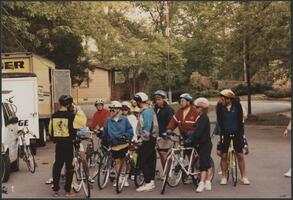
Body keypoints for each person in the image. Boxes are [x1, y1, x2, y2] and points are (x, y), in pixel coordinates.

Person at [216, 89, 250, 185]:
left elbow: (240, 121)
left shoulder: (237, 106)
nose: (220, 101)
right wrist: (221, 133)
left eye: (222, 99)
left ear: (229, 99)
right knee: (223, 155)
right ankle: (223, 176)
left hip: (237, 133)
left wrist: (241, 134)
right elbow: (219, 121)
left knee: (240, 155)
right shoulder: (219, 107)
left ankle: (244, 176)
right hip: (225, 133)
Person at [49, 95, 77, 197]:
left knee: (57, 166)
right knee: (69, 167)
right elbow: (74, 131)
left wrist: (55, 138)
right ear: (69, 104)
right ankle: (67, 191)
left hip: (59, 145)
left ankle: (56, 190)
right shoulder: (71, 116)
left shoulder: (54, 115)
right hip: (68, 144)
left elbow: (50, 130)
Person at [103, 101, 134, 187]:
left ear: (118, 110)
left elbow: (130, 130)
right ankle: (119, 177)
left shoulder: (124, 119)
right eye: (110, 110)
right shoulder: (108, 120)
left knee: (124, 161)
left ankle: (125, 178)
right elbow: (105, 132)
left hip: (123, 144)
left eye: (113, 110)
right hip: (114, 145)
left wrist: (126, 136)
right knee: (117, 162)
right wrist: (103, 138)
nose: (111, 112)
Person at [186, 97, 213, 192]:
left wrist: (191, 138)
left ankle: (202, 183)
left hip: (205, 143)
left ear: (201, 108)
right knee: (206, 163)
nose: (195, 109)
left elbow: (199, 132)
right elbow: (195, 129)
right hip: (201, 144)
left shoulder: (204, 118)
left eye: (197, 107)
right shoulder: (200, 117)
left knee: (203, 164)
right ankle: (208, 181)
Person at [134, 92, 159, 192]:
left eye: (136, 101)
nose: (135, 103)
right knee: (150, 160)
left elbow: (147, 128)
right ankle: (150, 182)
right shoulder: (146, 110)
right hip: (150, 138)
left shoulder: (147, 112)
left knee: (143, 160)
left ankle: (148, 182)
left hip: (147, 139)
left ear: (140, 101)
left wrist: (141, 139)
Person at [153, 90, 174, 169]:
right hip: (157, 135)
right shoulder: (155, 109)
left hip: (165, 135)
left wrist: (167, 131)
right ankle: (165, 172)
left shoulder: (169, 110)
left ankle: (167, 172)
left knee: (164, 154)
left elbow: (171, 122)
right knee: (161, 155)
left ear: (164, 99)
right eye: (156, 99)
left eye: (159, 99)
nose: (157, 101)